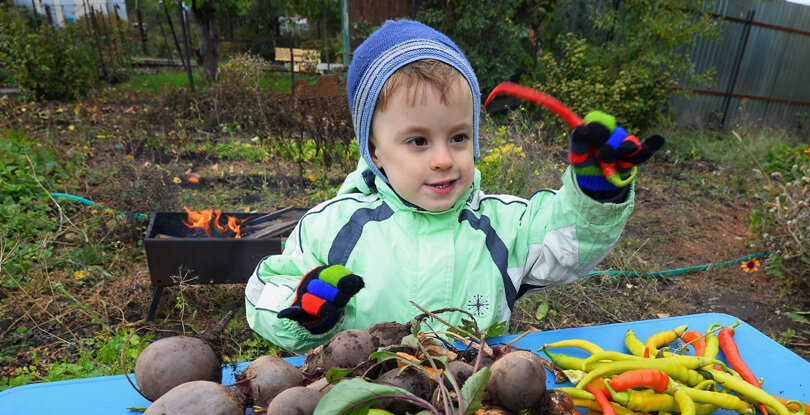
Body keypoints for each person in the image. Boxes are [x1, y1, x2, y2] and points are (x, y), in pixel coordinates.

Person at [245, 19, 663, 354]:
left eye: (459, 137)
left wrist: (596, 191)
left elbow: (567, 246)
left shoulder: (502, 225)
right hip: (363, 410)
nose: (444, 158)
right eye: (418, 141)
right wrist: (307, 310)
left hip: (474, 410)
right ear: (375, 151)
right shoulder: (331, 227)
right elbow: (266, 291)